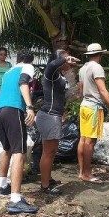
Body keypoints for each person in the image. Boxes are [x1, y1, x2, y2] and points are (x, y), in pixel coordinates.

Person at [0, 50, 38, 213]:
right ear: (29, 61)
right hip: (13, 109)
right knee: (19, 152)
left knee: (7, 149)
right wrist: (30, 107)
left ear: (17, 59)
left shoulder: (8, 71)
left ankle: (3, 186)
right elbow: (23, 82)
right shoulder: (27, 67)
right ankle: (16, 200)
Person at [35, 50, 79, 194]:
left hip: (54, 115)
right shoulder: (51, 73)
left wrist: (64, 111)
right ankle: (45, 186)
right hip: (49, 115)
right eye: (65, 59)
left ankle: (47, 178)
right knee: (48, 152)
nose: (69, 62)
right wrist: (66, 58)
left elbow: (62, 96)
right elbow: (52, 64)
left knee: (52, 151)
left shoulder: (59, 76)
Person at [77, 43, 109, 182]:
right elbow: (102, 89)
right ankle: (87, 174)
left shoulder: (83, 68)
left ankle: (82, 171)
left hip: (84, 106)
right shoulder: (97, 67)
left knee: (83, 139)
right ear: (100, 55)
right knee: (90, 142)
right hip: (94, 107)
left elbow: (81, 88)